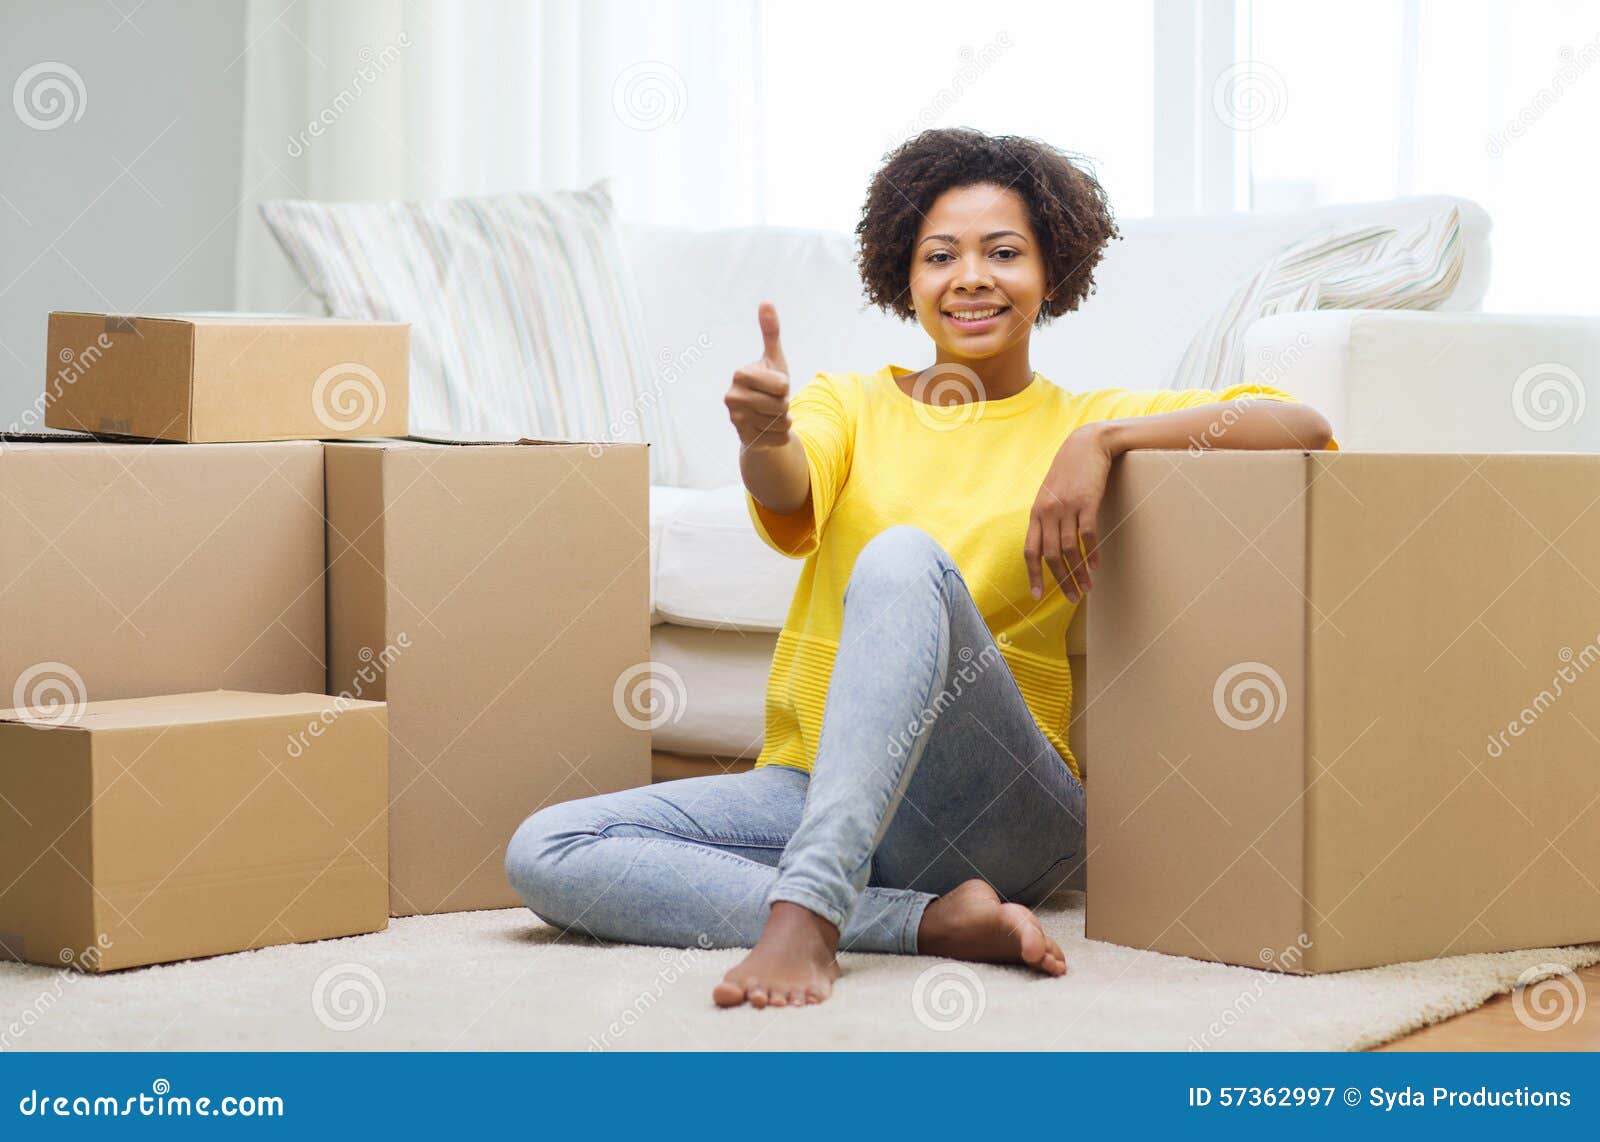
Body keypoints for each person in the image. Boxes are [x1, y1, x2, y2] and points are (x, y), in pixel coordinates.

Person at [506, 127, 1335, 1009]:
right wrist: (763, 437)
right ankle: (923, 922)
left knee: (901, 555)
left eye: (1004, 253)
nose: (971, 276)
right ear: (905, 277)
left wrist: (1107, 440)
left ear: (1052, 273)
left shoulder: (1088, 417)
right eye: (941, 255)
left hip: (1003, 810)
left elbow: (1299, 423)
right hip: (820, 791)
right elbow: (788, 485)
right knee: (547, 851)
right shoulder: (849, 404)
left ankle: (810, 917)